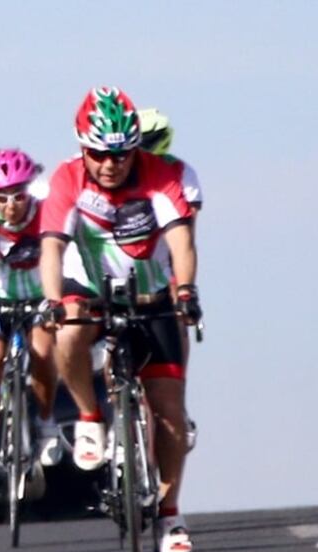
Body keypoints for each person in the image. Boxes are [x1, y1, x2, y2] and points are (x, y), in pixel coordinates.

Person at [38, 87, 201, 552]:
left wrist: (186, 292)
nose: (111, 164)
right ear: (82, 148)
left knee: (169, 411)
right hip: (89, 286)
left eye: (121, 154)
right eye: (99, 154)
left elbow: (182, 241)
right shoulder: (68, 178)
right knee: (69, 331)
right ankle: (89, 416)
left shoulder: (160, 175)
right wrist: (53, 301)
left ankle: (169, 513)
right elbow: (51, 247)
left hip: (150, 293)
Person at [0, 149, 60, 476]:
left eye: (18, 197)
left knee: (43, 350)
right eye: (1, 199)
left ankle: (46, 421)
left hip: (36, 297)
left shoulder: (45, 214)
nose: (10, 206)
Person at [138, 107, 203, 450]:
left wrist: (184, 287)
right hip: (122, 263)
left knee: (177, 314)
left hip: (165, 262)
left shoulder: (181, 172)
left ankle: (179, 396)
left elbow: (186, 235)